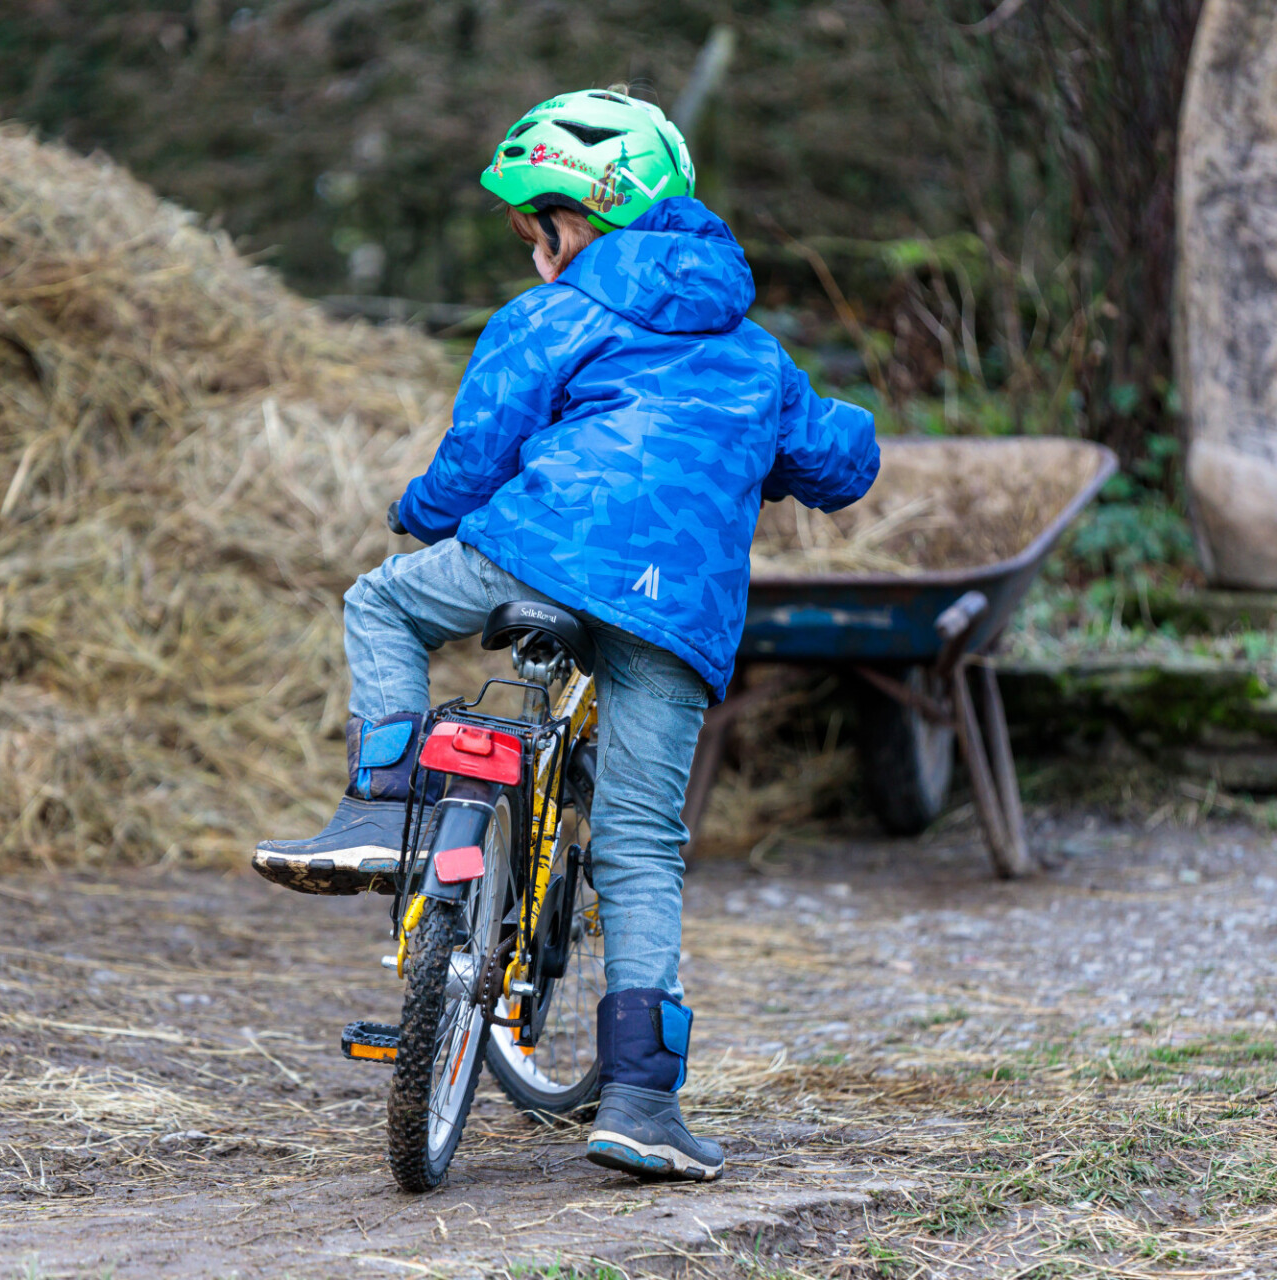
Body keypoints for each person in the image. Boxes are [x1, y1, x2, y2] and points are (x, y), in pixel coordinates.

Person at [254, 88, 878, 1182]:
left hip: (538, 551)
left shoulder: (552, 317)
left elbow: (475, 455)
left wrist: (420, 511)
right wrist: (821, 432)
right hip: (673, 612)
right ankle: (641, 1099)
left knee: (383, 600)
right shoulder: (754, 352)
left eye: (533, 223)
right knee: (640, 847)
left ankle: (379, 802)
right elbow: (840, 464)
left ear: (578, 221)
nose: (529, 245)